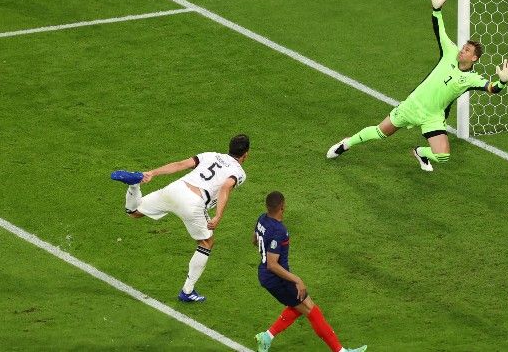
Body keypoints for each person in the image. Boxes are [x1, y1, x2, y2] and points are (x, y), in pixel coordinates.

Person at [326, 0, 508, 171]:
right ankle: (345, 144)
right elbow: (439, 30)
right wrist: (437, 9)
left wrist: (502, 80)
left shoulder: (471, 79)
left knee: (443, 156)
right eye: (463, 47)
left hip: (433, 117)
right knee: (380, 133)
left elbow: (492, 88)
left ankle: (421, 152)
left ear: (474, 57)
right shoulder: (449, 52)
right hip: (413, 105)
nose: (462, 51)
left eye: (467, 50)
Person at [110, 134, 250, 302]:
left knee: (134, 212)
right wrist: (218, 216)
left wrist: (152, 173)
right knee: (206, 242)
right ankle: (187, 291)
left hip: (175, 189)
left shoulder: (211, 155)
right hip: (194, 202)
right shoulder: (239, 172)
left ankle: (134, 185)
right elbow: (225, 188)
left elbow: (180, 165)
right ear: (246, 154)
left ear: (229, 147)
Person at [253, 191, 366, 352]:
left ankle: (267, 337)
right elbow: (272, 264)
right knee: (311, 309)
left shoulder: (262, 219)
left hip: (267, 274)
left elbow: (254, 239)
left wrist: (265, 250)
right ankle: (340, 351)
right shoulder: (279, 231)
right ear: (282, 206)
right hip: (276, 278)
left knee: (298, 306)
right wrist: (297, 279)